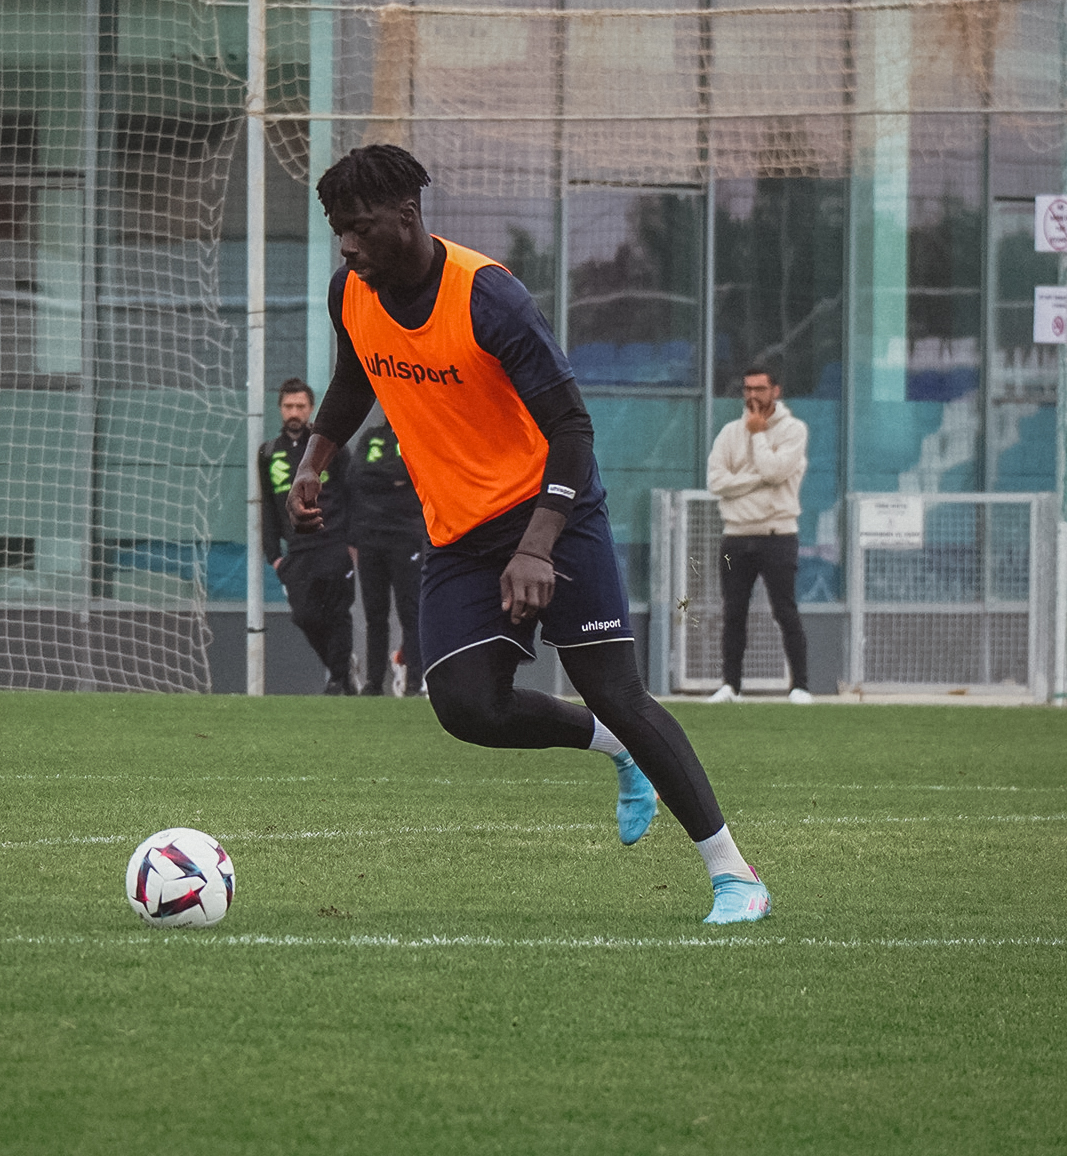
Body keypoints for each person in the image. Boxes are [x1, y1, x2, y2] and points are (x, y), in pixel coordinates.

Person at [289, 144, 770, 925]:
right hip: (457, 534)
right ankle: (610, 748)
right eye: (338, 231)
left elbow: (573, 429)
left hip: (555, 512)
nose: (347, 245)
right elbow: (355, 377)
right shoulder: (352, 288)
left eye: (360, 228)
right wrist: (316, 459)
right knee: (465, 707)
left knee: (617, 691)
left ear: (406, 217)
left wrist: (539, 544)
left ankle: (735, 875)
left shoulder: (489, 299)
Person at [705, 366, 811, 704]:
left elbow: (775, 471)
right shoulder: (729, 432)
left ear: (775, 391)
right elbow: (716, 483)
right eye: (747, 389)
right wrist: (758, 478)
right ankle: (730, 686)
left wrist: (759, 435)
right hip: (735, 536)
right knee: (733, 612)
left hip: (778, 534)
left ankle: (800, 687)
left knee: (785, 611)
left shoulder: (794, 430)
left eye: (760, 389)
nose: (753, 396)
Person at [259, 377, 356, 694]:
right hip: (297, 551)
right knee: (305, 616)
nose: (294, 412)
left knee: (338, 613)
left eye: (300, 406)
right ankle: (341, 668)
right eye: (288, 406)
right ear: (280, 409)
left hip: (333, 542)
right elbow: (269, 506)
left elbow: (351, 493)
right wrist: (273, 554)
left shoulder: (331, 450)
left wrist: (352, 542)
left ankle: (339, 680)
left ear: (311, 408)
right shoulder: (268, 453)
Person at [347, 408, 424, 695]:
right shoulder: (370, 436)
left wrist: (383, 477)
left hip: (406, 537)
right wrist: (392, 478)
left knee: (409, 610)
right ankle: (373, 682)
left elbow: (415, 473)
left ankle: (414, 680)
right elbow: (356, 476)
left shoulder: (417, 436)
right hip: (370, 537)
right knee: (374, 613)